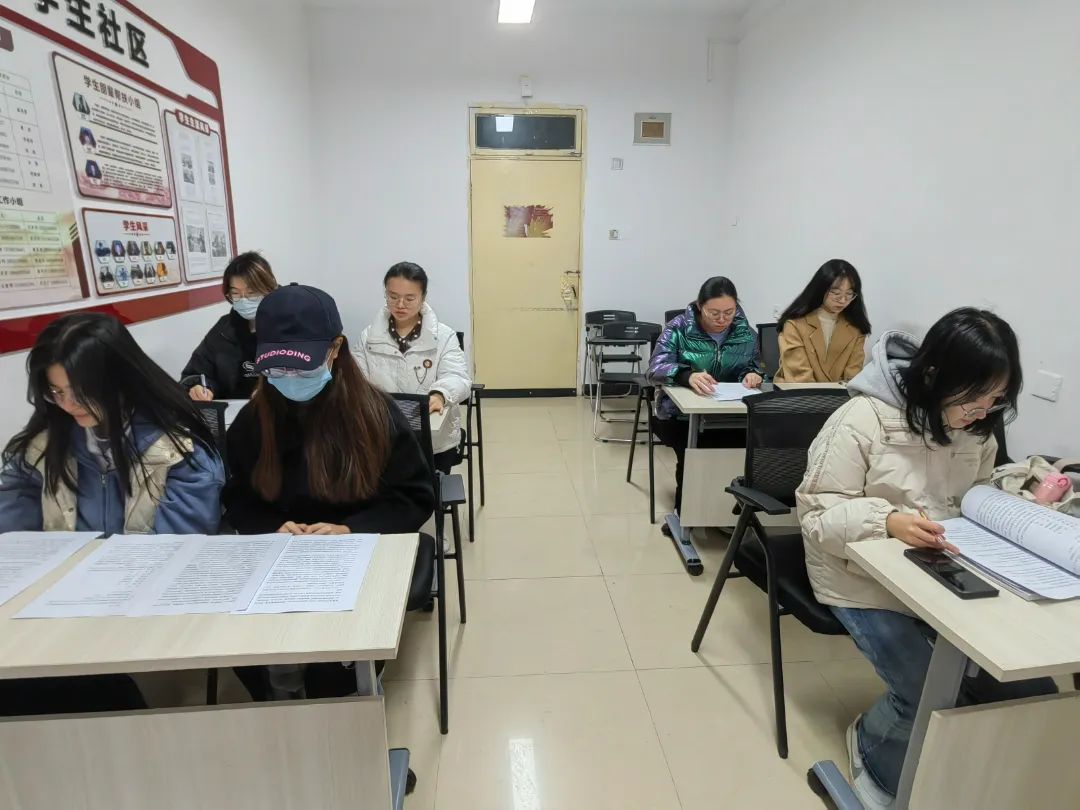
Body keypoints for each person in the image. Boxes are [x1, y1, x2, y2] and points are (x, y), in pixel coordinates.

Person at [796, 308, 1058, 807]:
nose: (983, 411)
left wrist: (1011, 507)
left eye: (997, 399)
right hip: (859, 578)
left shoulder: (977, 429)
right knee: (923, 693)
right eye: (975, 397)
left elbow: (972, 496)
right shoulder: (861, 418)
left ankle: (977, 771)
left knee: (1030, 687)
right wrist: (887, 520)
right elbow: (816, 516)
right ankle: (873, 753)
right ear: (935, 375)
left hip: (941, 572)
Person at [0, 313, 225, 715]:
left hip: (138, 616)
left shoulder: (178, 450)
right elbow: (15, 541)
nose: (68, 406)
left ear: (119, 381)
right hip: (53, 615)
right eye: (55, 392)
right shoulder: (39, 448)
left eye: (80, 393)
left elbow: (178, 550)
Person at [223, 283, 436, 700]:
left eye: (301, 368)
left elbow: (413, 498)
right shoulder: (253, 421)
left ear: (335, 349)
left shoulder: (375, 416)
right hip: (281, 554)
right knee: (247, 655)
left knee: (333, 673)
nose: (288, 379)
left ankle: (338, 699)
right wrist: (273, 526)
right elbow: (238, 498)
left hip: (358, 550)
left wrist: (349, 530)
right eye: (276, 369)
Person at [647, 276, 764, 523]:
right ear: (700, 306)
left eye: (728, 313)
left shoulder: (745, 333)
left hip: (731, 413)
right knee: (695, 449)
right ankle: (688, 514)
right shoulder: (679, 328)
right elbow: (655, 368)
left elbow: (754, 366)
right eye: (714, 313)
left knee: (751, 448)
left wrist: (753, 375)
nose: (722, 319)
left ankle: (727, 514)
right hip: (680, 414)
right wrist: (686, 376)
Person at [354, 262, 471, 474]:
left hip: (432, 440)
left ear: (423, 297)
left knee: (428, 490)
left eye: (409, 298)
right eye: (393, 297)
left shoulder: (443, 336)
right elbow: (356, 380)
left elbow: (458, 377)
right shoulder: (369, 337)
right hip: (383, 436)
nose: (400, 304)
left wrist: (440, 395)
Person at [181, 251, 279, 401]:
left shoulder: (291, 325)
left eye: (252, 293)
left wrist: (271, 392)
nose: (244, 300)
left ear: (269, 289)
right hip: (233, 412)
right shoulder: (224, 330)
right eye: (236, 294)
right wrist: (200, 387)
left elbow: (308, 378)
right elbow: (195, 373)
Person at [774, 258, 871, 383]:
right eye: (836, 293)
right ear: (820, 289)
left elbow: (852, 378)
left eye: (849, 294)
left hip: (840, 393)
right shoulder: (795, 324)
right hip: (798, 392)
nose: (842, 300)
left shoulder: (856, 328)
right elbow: (800, 378)